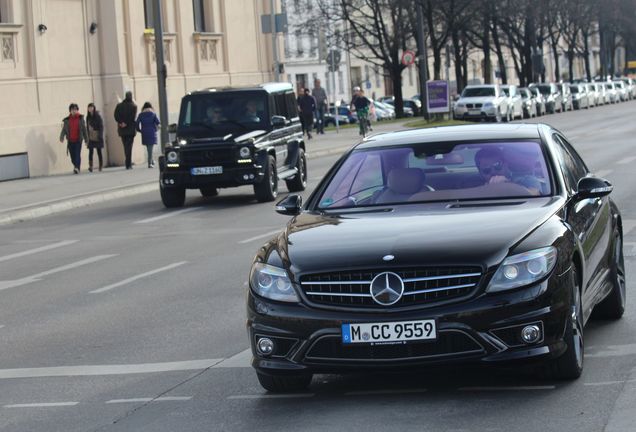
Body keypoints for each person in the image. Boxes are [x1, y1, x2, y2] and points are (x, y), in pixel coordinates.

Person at [474, 146, 542, 195]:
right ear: (480, 173)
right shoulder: (475, 188)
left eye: (497, 166)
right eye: (487, 169)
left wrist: (508, 185)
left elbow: (535, 195)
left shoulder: (527, 180)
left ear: (506, 164)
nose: (493, 172)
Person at [59, 103, 88, 174]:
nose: (74, 111)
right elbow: (64, 130)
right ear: (70, 111)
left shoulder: (80, 119)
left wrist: (86, 140)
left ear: (77, 110)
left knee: (77, 154)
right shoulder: (67, 120)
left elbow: (84, 130)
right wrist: (61, 137)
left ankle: (77, 168)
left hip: (78, 140)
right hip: (70, 141)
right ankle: (76, 166)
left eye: (75, 109)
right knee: (72, 157)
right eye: (72, 109)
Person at [114, 91, 138, 169]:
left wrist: (121, 123)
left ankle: (127, 162)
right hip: (130, 129)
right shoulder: (133, 106)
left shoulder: (119, 106)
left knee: (125, 146)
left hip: (122, 130)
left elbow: (116, 115)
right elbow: (132, 117)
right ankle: (128, 163)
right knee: (129, 147)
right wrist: (126, 123)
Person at [136, 102, 160, 168]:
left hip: (144, 132)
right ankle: (150, 163)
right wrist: (156, 129)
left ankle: (151, 161)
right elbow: (158, 123)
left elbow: (137, 124)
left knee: (148, 148)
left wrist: (139, 130)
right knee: (150, 149)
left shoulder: (140, 115)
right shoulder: (153, 114)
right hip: (152, 132)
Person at [86, 103, 104, 172]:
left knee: (99, 151)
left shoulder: (98, 116)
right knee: (90, 151)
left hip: (97, 135)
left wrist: (100, 135)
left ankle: (100, 166)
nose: (90, 109)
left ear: (94, 108)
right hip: (90, 136)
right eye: (89, 107)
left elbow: (101, 126)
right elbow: (87, 127)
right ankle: (90, 166)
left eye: (91, 107)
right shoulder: (88, 117)